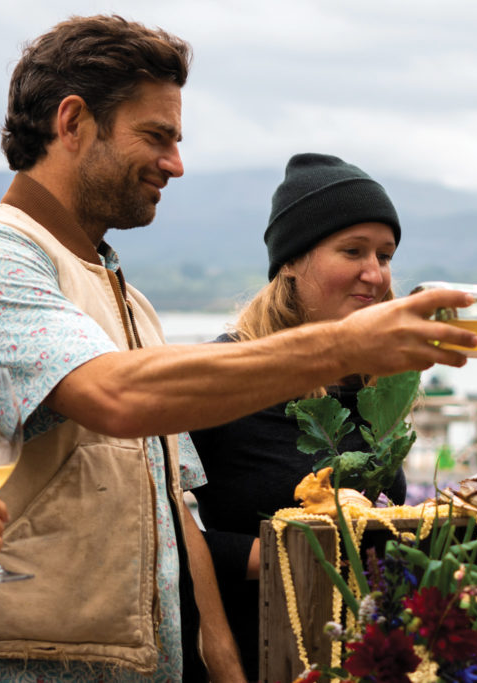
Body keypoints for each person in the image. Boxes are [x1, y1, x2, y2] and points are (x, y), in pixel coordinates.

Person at [0, 15, 476, 683]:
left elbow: (179, 508)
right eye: (156, 136)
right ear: (72, 123)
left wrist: (222, 663)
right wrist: (344, 345)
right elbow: (117, 393)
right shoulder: (3, 257)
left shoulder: (131, 304)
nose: (176, 164)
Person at [189, 152, 408, 679]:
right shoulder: (224, 375)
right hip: (254, 657)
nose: (375, 274)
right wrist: (293, 551)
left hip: (360, 655)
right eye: (352, 251)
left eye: (385, 254)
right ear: (290, 260)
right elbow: (165, 536)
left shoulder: (373, 383)